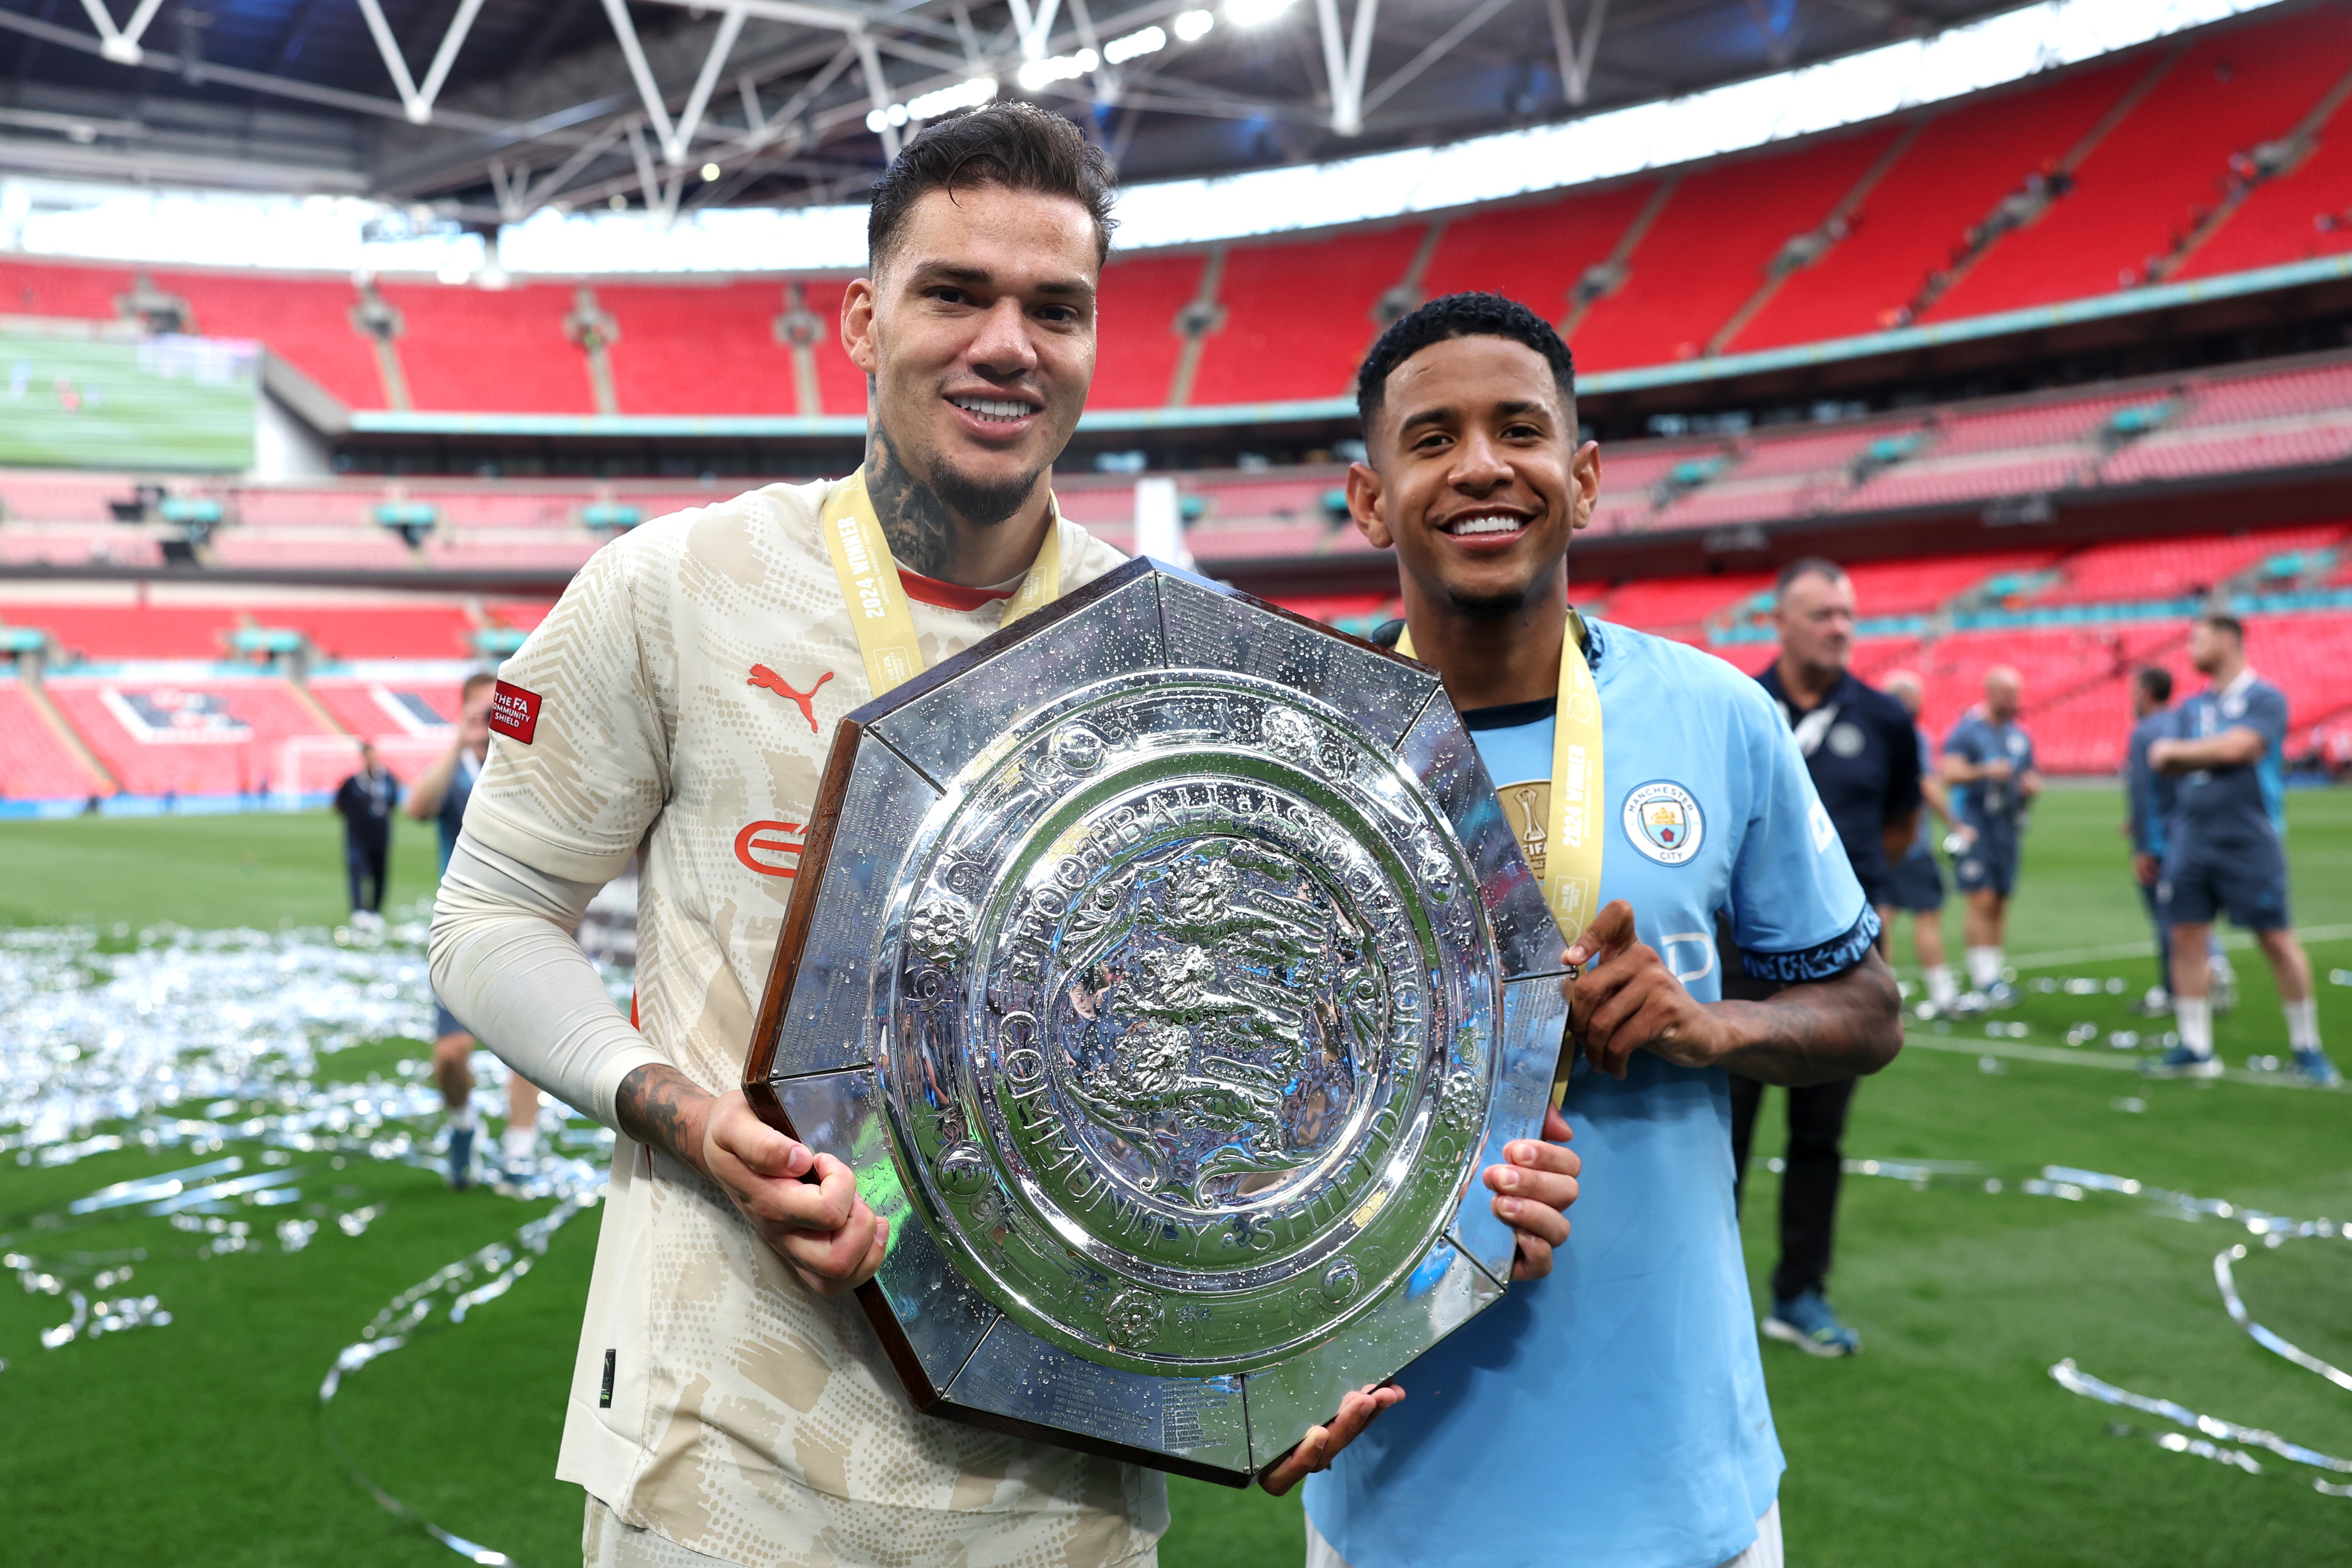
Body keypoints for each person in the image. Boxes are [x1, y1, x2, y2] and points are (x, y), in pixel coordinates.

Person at [426, 108, 1576, 1568]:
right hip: (726, 1456)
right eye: (953, 292)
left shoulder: (1175, 657)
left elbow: (1268, 1060)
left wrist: (1289, 1345)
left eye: (1054, 307)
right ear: (861, 316)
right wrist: (680, 1110)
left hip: (1065, 1496)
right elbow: (487, 921)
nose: (1004, 343)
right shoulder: (673, 589)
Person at [1313, 291, 1902, 1568]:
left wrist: (1709, 1023)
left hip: (1685, 1481)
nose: (1481, 466)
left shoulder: (1718, 717)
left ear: (1581, 479)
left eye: (1520, 431)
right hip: (1397, 1496)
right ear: (1369, 499)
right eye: (1432, 439)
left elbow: (1869, 1009)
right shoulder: (1298, 754)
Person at [1730, 558, 1918, 1358]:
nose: (1839, 627)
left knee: (1819, 1136)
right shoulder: (1732, 707)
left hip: (1844, 963)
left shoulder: (1883, 719)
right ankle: (1708, 1300)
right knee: (1718, 1138)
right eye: (1821, 614)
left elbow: (1898, 828)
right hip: (1737, 960)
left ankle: (1799, 1292)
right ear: (1781, 621)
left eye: (1846, 613)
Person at [2145, 615, 2339, 1085]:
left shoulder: (2263, 698)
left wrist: (2179, 752)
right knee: (2186, 938)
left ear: (2227, 640)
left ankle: (2307, 1047)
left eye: (2197, 638)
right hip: (2190, 838)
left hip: (2248, 840)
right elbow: (2169, 761)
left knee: (2275, 939)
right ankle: (2195, 1046)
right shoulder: (2192, 708)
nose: (2190, 648)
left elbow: (2238, 749)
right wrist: (2187, 753)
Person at [406, 671, 546, 1187]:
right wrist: (461, 740)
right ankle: (464, 1125)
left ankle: (519, 1149)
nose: (491, 720)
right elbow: (417, 807)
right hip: (460, 929)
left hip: (528, 924)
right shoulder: (456, 769)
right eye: (481, 711)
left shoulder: (525, 764)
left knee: (527, 1049)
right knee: (449, 1055)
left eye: (497, 710)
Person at [2123, 665, 2235, 1018]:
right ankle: (2213, 960)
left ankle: (2175, 988)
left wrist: (2144, 845)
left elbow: (2142, 794)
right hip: (2192, 829)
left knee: (2167, 916)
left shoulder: (2144, 733)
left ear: (2145, 692)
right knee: (2190, 911)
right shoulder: (2183, 723)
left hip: (2161, 838)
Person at [1940, 666, 2041, 1010]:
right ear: (1992, 693)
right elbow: (1949, 773)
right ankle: (1982, 977)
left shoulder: (2018, 736)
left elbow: (2028, 776)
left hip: (2007, 829)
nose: (2015, 702)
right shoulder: (1968, 732)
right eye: (2009, 695)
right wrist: (1985, 771)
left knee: (2000, 900)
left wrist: (2029, 788)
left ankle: (1994, 974)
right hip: (1975, 826)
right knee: (1980, 899)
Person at [1880, 669, 1958, 1016]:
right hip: (1910, 842)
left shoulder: (1873, 736)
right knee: (1927, 919)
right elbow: (1925, 785)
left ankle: (1880, 995)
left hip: (1879, 845)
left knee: (1881, 919)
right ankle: (1942, 994)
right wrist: (1956, 822)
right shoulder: (1912, 736)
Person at [332, 741, 397, 926]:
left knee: (380, 873)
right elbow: (339, 805)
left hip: (381, 837)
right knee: (357, 872)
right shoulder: (352, 782)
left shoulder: (387, 780)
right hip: (358, 837)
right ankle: (359, 911)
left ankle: (376, 912)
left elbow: (393, 802)